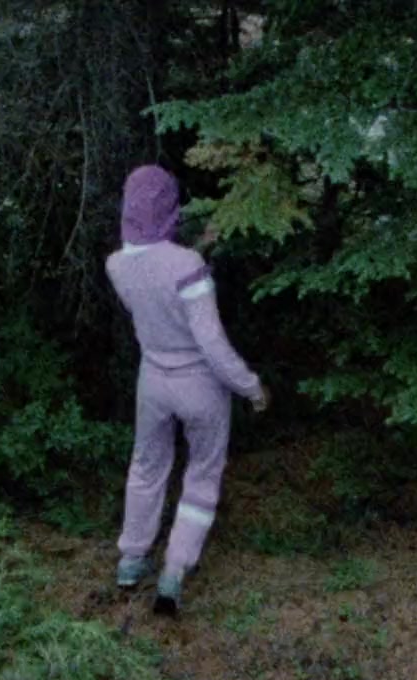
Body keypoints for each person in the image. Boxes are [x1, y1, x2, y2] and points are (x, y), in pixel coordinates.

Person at [105, 164, 270, 617]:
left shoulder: (116, 264)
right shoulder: (189, 267)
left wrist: (201, 248)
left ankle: (131, 559)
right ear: (171, 208)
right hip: (200, 386)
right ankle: (175, 571)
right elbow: (212, 344)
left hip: (153, 381)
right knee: (202, 474)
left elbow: (156, 278)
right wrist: (251, 387)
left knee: (146, 467)